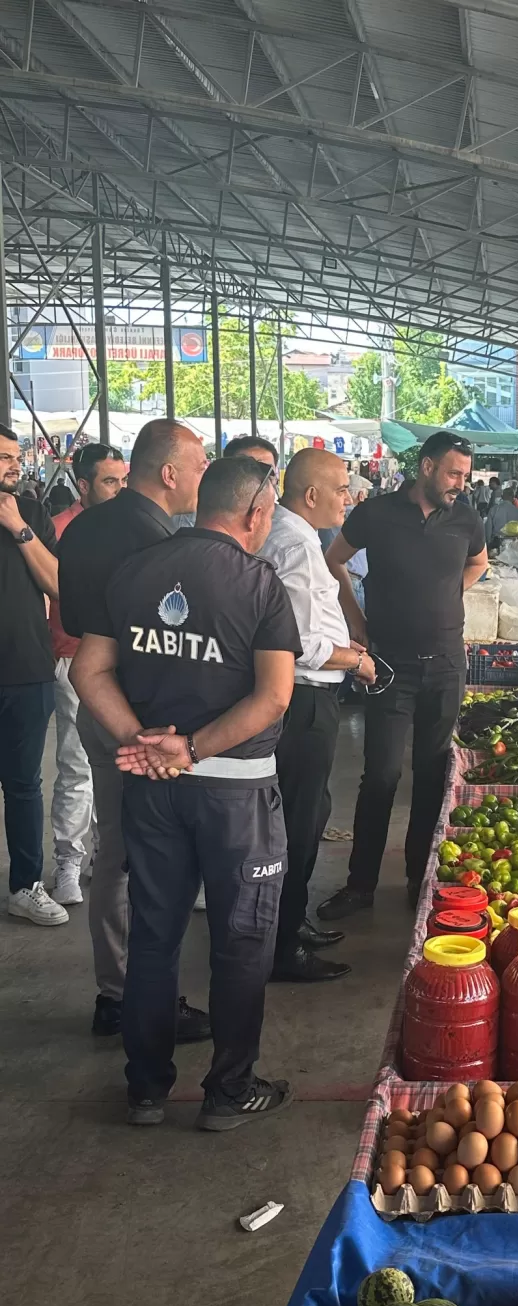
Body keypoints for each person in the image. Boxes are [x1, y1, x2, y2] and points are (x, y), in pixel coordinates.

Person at [71, 456, 300, 1129]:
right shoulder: (258, 583)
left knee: (154, 934)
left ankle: (145, 1086)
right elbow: (274, 698)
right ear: (256, 513)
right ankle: (229, 1090)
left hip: (153, 792)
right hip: (236, 797)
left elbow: (90, 668)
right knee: (240, 939)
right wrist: (193, 748)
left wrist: (141, 740)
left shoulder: (137, 569)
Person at [59, 419, 211, 1040]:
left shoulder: (83, 526)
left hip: (97, 704)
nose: (203, 478)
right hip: (142, 717)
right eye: (199, 466)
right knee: (146, 859)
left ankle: (116, 991)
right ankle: (136, 998)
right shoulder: (159, 542)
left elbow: (72, 617)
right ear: (169, 473)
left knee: (118, 849)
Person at [317, 431, 488, 919]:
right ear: (428, 467)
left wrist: (445, 591)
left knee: (433, 776)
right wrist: (355, 619)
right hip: (390, 666)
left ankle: (420, 878)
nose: (461, 483)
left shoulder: (466, 518)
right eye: (454, 473)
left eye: (465, 476)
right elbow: (334, 560)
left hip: (447, 665)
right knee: (382, 776)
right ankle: (360, 884)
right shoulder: (377, 513)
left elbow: (480, 561)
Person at [260, 450, 376, 982]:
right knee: (299, 825)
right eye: (341, 489)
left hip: (307, 694)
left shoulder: (297, 535)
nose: (348, 498)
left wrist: (339, 641)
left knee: (308, 812)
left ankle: (292, 920)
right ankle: (284, 947)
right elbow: (298, 642)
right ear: (311, 495)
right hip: (305, 698)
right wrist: (355, 659)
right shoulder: (297, 545)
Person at [47, 443, 127, 907]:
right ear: (84, 485)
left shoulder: (131, 526)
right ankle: (68, 863)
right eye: (109, 481)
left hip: (120, 661)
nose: (118, 489)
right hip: (72, 659)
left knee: (118, 766)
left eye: (122, 480)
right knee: (77, 767)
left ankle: (107, 855)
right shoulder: (60, 529)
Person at [0, 423, 64, 926]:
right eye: (3, 457)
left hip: (26, 669)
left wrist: (18, 527)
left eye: (14, 457)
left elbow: (57, 584)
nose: (14, 465)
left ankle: (26, 884)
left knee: (24, 784)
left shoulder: (32, 512)